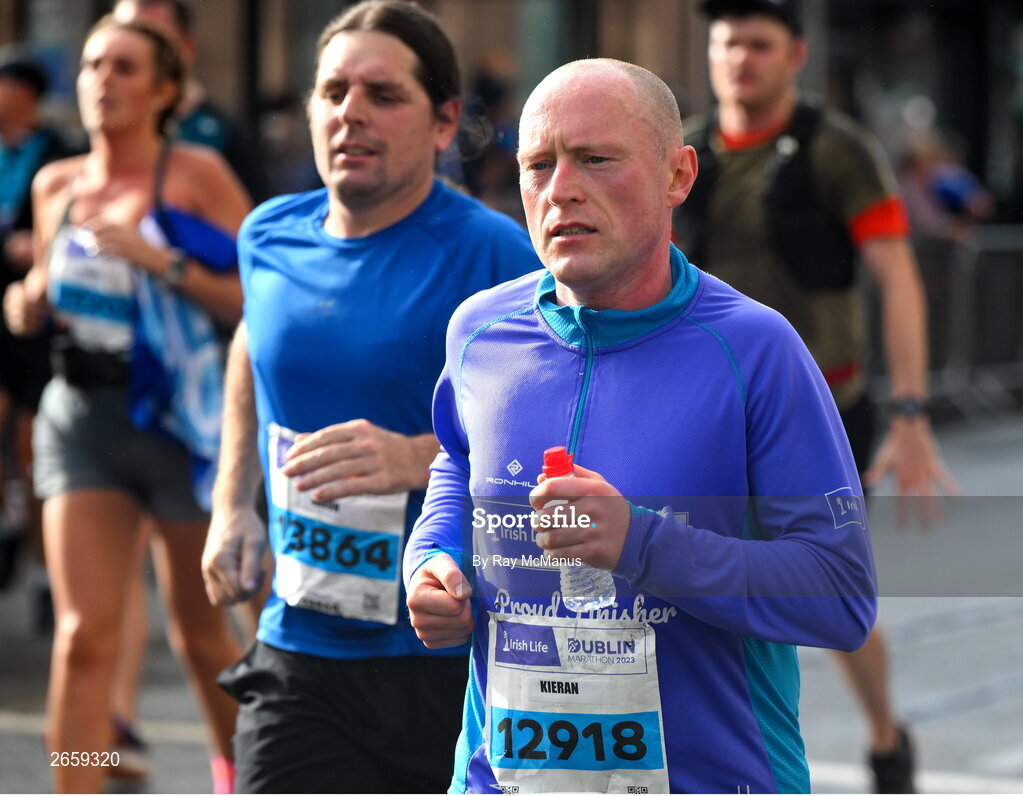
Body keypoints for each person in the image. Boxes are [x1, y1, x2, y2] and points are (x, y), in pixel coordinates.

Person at [405, 57, 877, 794]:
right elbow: (459, 465)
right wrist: (433, 558)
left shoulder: (755, 349)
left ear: (676, 176)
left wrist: (642, 542)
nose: (561, 189)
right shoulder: (479, 331)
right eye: (537, 164)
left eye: (595, 159)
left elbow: (840, 594)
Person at [199, 2, 540, 792]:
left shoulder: (496, 255)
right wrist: (231, 501)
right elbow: (253, 343)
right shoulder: (266, 235)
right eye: (332, 92)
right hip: (299, 645)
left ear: (444, 122)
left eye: (383, 95)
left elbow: (563, 425)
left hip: (447, 656)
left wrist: (418, 457)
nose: (350, 112)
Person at [674, 1, 958, 790]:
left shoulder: (836, 151)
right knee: (699, 577)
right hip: (709, 414)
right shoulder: (685, 153)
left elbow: (896, 276)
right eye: (727, 43)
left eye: (758, 45)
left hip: (824, 412)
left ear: (794, 53)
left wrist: (908, 411)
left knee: (819, 587)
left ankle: (881, 739)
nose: (739, 59)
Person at [2, 17, 249, 793]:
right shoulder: (55, 184)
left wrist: (162, 260)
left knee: (202, 633)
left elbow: (259, 295)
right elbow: (41, 287)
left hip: (177, 421)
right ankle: (78, 780)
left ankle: (241, 775)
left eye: (125, 67)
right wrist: (25, 302)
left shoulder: (196, 172)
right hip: (80, 415)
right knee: (80, 638)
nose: (102, 80)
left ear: (165, 89)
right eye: (92, 64)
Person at [0, 48, 80, 618]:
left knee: (32, 444)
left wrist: (41, 254)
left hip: (37, 325)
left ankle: (46, 569)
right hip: (2, 308)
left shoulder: (58, 154)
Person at [112, 0, 268, 202]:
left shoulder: (223, 136)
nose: (132, 48)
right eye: (124, 34)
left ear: (187, 48)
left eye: (155, 39)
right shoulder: (90, 145)